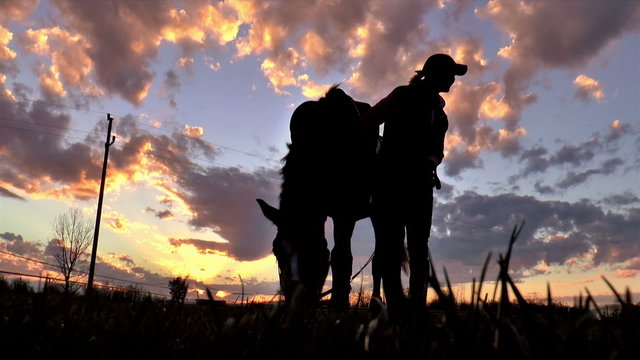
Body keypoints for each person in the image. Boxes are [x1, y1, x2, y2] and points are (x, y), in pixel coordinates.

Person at [364, 53, 467, 316]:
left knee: (419, 247)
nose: (454, 80)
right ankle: (396, 308)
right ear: (434, 74)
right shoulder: (401, 96)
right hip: (390, 183)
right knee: (392, 245)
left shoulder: (440, 115)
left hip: (421, 186)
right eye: (450, 74)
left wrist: (431, 160)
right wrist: (382, 156)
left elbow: (438, 151)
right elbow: (367, 121)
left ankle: (417, 307)